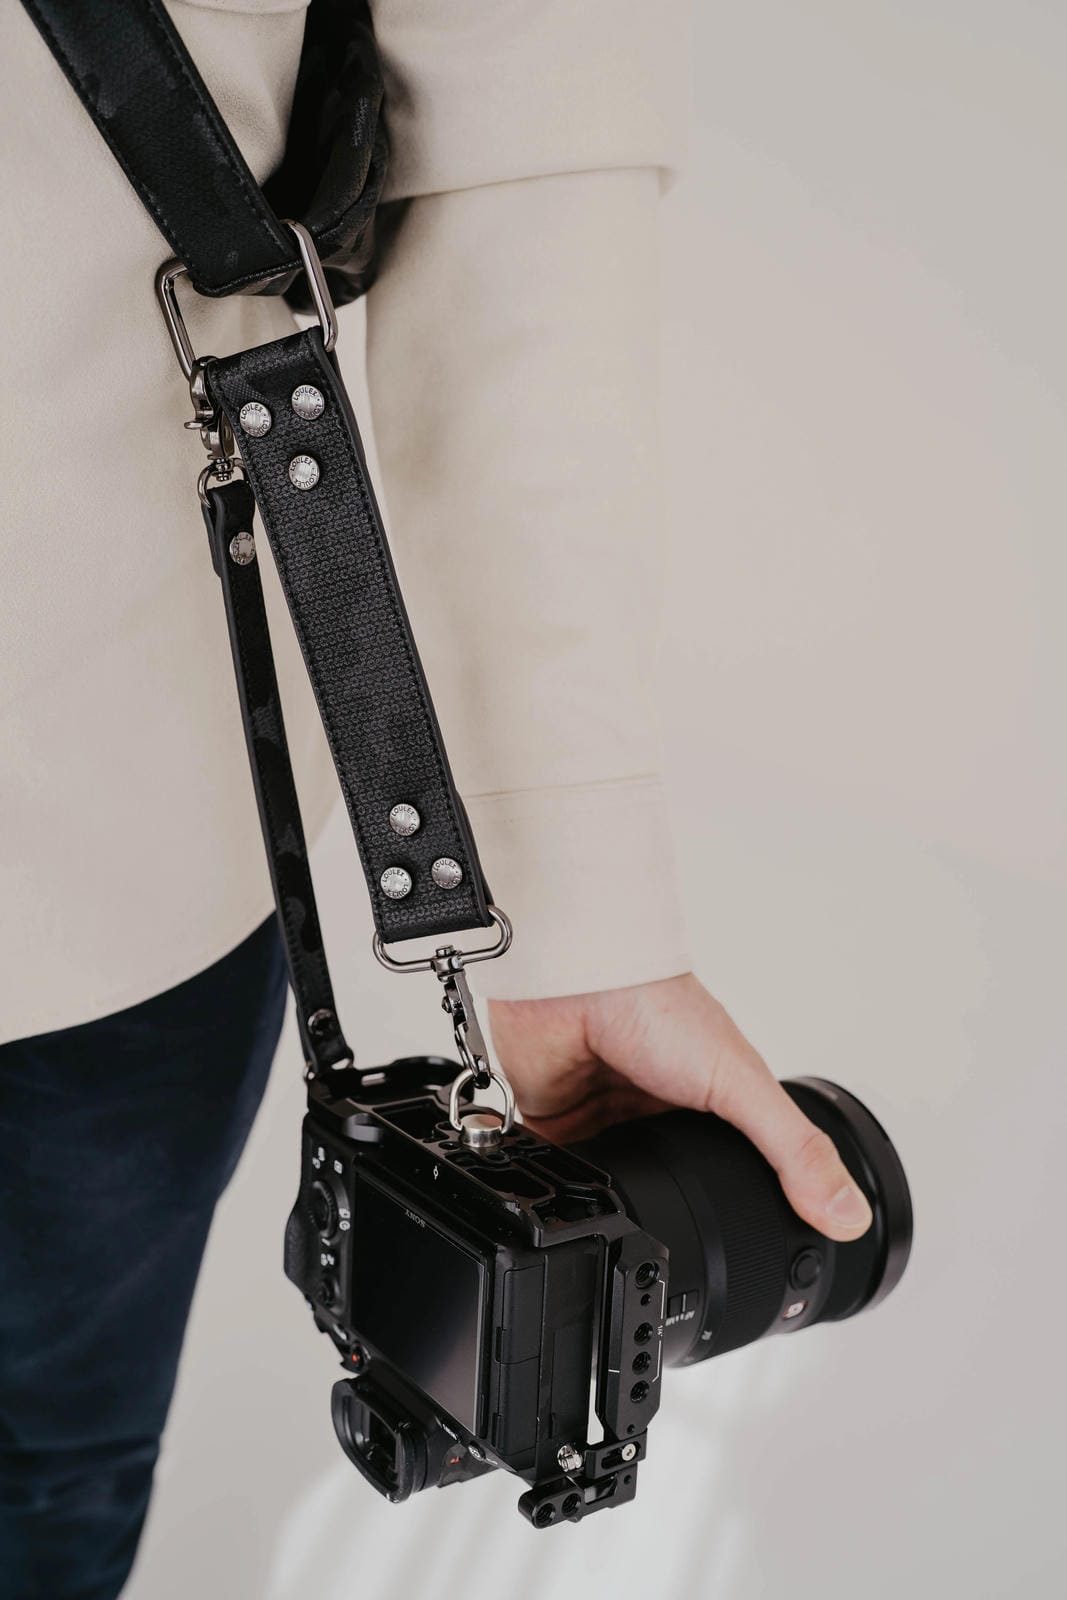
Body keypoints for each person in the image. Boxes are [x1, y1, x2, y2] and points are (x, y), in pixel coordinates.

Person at [0, 2, 872, 1596]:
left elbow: (518, 128)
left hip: (107, 852)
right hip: (122, 846)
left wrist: (560, 888)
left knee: (44, 1459)